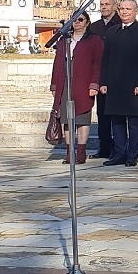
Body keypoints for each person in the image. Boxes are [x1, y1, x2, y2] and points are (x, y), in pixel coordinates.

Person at [98, 0, 138, 167]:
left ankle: (132, 155)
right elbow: (106, 59)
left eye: (128, 9)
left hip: (134, 85)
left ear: (136, 11)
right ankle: (119, 153)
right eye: (122, 9)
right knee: (116, 121)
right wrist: (103, 82)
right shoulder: (112, 32)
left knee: (134, 122)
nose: (124, 12)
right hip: (114, 84)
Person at [50, 11, 103, 165]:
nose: (77, 22)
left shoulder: (94, 40)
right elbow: (57, 63)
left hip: (83, 82)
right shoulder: (64, 40)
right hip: (65, 81)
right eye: (74, 20)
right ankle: (69, 151)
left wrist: (94, 84)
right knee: (67, 118)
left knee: (82, 117)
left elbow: (98, 64)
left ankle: (81, 151)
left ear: (87, 22)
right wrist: (54, 85)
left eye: (80, 19)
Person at [88, 0, 121, 159]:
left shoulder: (121, 25)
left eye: (107, 4)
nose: (104, 7)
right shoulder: (94, 27)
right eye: (101, 4)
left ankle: (119, 148)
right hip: (100, 76)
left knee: (118, 116)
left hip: (118, 76)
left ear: (114, 6)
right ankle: (104, 148)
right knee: (102, 115)